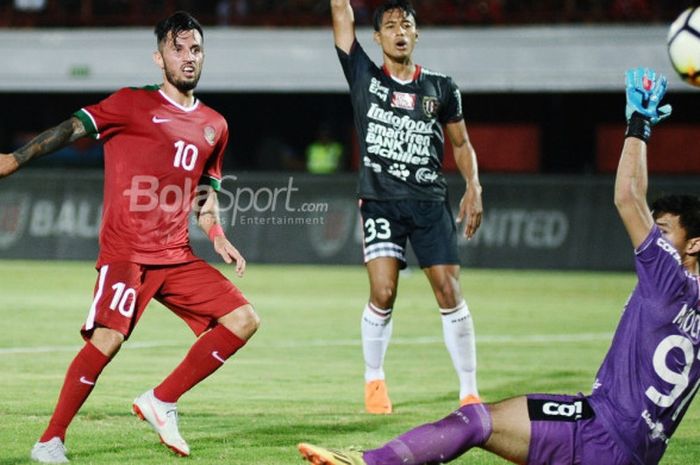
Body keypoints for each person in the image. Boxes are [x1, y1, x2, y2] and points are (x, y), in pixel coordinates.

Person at [298, 67, 700, 465]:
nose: (655, 238)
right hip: (636, 451)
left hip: (598, 429)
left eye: (664, 231)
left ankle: (368, 463)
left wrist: (639, 123)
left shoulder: (668, 278)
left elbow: (629, 197)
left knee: (476, 420)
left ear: (695, 244)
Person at [0, 11, 260, 463]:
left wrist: (216, 233)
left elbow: (204, 194)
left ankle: (161, 400)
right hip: (128, 253)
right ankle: (50, 441)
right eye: (177, 49)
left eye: (195, 48)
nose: (188, 57)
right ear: (159, 58)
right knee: (107, 341)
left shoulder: (214, 125)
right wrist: (15, 160)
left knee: (243, 319)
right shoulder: (130, 104)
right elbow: (71, 129)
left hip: (175, 255)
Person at [330, 0, 484, 414]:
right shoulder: (363, 75)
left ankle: (469, 390)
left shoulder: (441, 87)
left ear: (416, 34)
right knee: (382, 292)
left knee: (449, 291)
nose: (400, 31)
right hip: (380, 203)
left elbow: (461, 143)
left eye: (407, 24)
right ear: (377, 37)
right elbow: (342, 19)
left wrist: (474, 185)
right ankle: (374, 381)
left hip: (430, 203)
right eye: (391, 26)